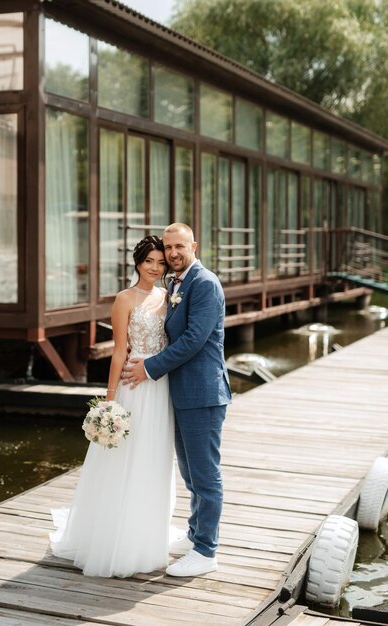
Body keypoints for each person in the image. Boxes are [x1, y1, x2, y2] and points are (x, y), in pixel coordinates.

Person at [50, 235, 174, 577]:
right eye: (149, 261)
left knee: (154, 458)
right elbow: (120, 350)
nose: (155, 268)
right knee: (126, 459)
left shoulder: (170, 296)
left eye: (161, 263)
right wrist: (109, 399)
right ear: (137, 262)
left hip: (161, 384)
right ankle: (116, 537)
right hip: (133, 384)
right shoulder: (125, 299)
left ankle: (147, 535)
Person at [124, 223, 232, 577]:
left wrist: (149, 368)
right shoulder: (175, 283)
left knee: (205, 474)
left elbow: (194, 340)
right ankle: (194, 534)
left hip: (202, 393)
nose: (171, 253)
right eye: (168, 247)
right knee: (190, 473)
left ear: (193, 246)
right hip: (181, 392)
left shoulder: (204, 284)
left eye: (178, 246)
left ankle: (206, 550)